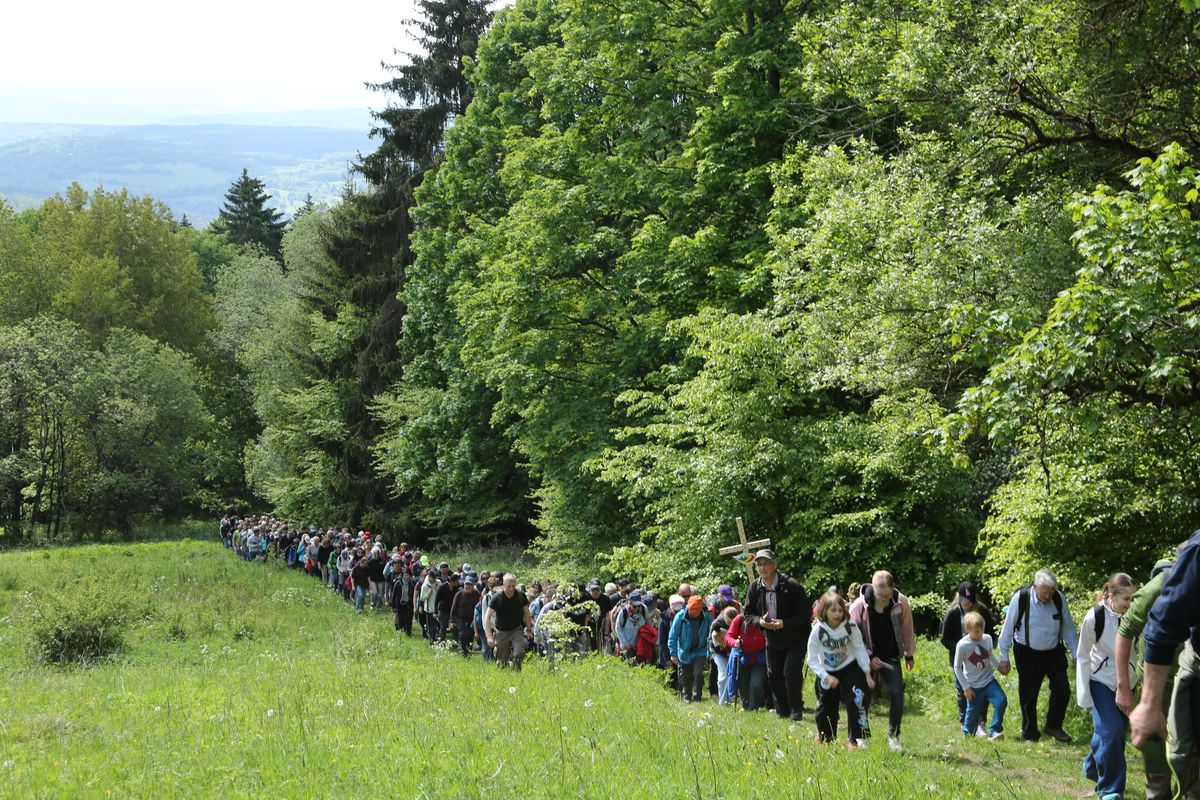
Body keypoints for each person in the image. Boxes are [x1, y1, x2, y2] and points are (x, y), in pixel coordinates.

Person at [1131, 530, 1200, 800]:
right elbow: (1152, 627)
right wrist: (1145, 701)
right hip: (1173, 680)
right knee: (1175, 755)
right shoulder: (1191, 560)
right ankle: (1157, 793)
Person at [1115, 550, 1183, 800]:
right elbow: (1126, 630)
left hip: (1191, 678)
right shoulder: (1159, 588)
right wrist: (1123, 686)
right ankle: (1157, 793)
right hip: (1159, 682)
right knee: (1155, 748)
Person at [997, 568, 1079, 743]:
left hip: (1054, 651)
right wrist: (1004, 657)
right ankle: (1030, 733)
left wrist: (1076, 656)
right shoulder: (1021, 598)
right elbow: (1007, 630)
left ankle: (1053, 726)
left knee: (1062, 689)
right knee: (1029, 695)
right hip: (1027, 652)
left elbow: (1069, 629)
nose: (1048, 597)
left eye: (1051, 592)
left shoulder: (1059, 599)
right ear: (1035, 587)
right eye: (1044, 593)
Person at [1078, 573, 1138, 800]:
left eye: (1133, 599)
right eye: (1126, 600)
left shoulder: (1135, 616)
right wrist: (1084, 693)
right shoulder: (1094, 618)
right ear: (1111, 595)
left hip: (1127, 682)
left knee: (1111, 733)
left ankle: (1093, 766)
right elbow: (1082, 656)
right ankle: (1110, 790)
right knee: (1112, 733)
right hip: (1100, 681)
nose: (1130, 605)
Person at [849, 570, 916, 752]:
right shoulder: (858, 606)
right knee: (861, 696)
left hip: (890, 656)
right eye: (881, 596)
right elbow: (851, 637)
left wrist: (909, 654)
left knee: (896, 692)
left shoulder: (900, 602)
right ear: (873, 588)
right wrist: (869, 657)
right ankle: (860, 736)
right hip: (864, 657)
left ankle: (893, 736)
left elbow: (907, 628)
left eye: (888, 595)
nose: (885, 599)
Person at [743, 549, 811, 720]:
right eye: (759, 564)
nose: (762, 567)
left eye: (766, 564)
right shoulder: (754, 587)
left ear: (774, 565)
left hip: (796, 637)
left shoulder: (791, 585)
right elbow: (748, 614)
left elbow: (806, 613)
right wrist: (760, 622)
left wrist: (784, 623)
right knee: (773, 674)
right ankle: (783, 711)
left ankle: (796, 709)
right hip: (772, 639)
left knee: (791, 671)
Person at [807, 589, 874, 748]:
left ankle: (856, 740)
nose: (837, 614)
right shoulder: (818, 630)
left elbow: (859, 649)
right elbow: (812, 658)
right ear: (825, 611)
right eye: (833, 610)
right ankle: (825, 737)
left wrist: (867, 673)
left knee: (857, 700)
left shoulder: (850, 627)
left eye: (839, 610)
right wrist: (825, 676)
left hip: (849, 666)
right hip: (828, 670)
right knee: (826, 707)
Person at [940, 581, 996, 735]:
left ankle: (981, 723)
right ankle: (965, 722)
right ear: (959, 598)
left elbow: (990, 633)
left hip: (980, 661)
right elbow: (945, 638)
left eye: (969, 602)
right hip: (961, 661)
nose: (966, 604)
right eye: (964, 601)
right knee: (964, 691)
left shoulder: (982, 611)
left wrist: (985, 649)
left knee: (982, 691)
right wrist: (962, 649)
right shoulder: (953, 613)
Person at [954, 611, 1007, 742]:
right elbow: (957, 667)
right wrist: (966, 688)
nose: (979, 634)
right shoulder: (962, 645)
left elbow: (989, 655)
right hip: (973, 686)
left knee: (1001, 701)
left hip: (989, 681)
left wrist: (999, 666)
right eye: (976, 632)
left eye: (981, 630)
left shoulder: (987, 638)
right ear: (968, 630)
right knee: (972, 713)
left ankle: (994, 731)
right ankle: (967, 734)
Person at [483, 573, 534, 670]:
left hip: (516, 629)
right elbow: (487, 617)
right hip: (501, 631)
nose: (511, 589)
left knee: (520, 652)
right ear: (503, 585)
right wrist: (489, 636)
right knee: (502, 659)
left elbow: (527, 613)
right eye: (508, 586)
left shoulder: (520, 596)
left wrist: (528, 629)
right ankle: (502, 674)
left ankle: (516, 673)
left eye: (513, 586)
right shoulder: (497, 598)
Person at [668, 595, 712, 702]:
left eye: (695, 611)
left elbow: (711, 634)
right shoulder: (680, 617)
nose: (692, 613)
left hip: (700, 650)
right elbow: (673, 636)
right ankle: (687, 695)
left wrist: (710, 651)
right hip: (684, 651)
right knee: (685, 675)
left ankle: (698, 696)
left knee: (698, 674)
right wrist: (673, 654)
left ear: (700, 609)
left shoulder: (706, 616)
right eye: (691, 610)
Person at [726, 609, 768, 710]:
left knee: (756, 685)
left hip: (760, 658)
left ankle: (753, 710)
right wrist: (735, 642)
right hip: (742, 657)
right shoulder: (739, 619)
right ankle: (746, 708)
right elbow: (728, 636)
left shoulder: (765, 620)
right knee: (743, 686)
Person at [710, 607, 737, 705]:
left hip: (732, 651)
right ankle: (722, 703)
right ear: (724, 617)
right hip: (717, 652)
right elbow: (710, 640)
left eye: (732, 622)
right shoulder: (716, 623)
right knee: (724, 673)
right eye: (729, 622)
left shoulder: (738, 622)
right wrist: (721, 647)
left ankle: (728, 700)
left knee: (730, 673)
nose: (731, 624)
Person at [614, 592, 651, 662]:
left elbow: (648, 623)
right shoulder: (623, 612)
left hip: (641, 644)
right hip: (628, 645)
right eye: (634, 606)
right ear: (629, 603)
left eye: (639, 605)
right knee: (630, 665)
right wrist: (624, 643)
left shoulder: (643, 609)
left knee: (642, 666)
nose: (637, 608)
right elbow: (618, 628)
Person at [389, 565, 414, 635]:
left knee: (408, 618)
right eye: (405, 575)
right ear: (403, 575)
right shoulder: (398, 583)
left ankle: (408, 632)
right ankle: (401, 630)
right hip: (400, 604)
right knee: (401, 618)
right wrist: (393, 606)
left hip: (409, 603)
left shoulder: (412, 583)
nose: (407, 577)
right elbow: (394, 595)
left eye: (408, 575)